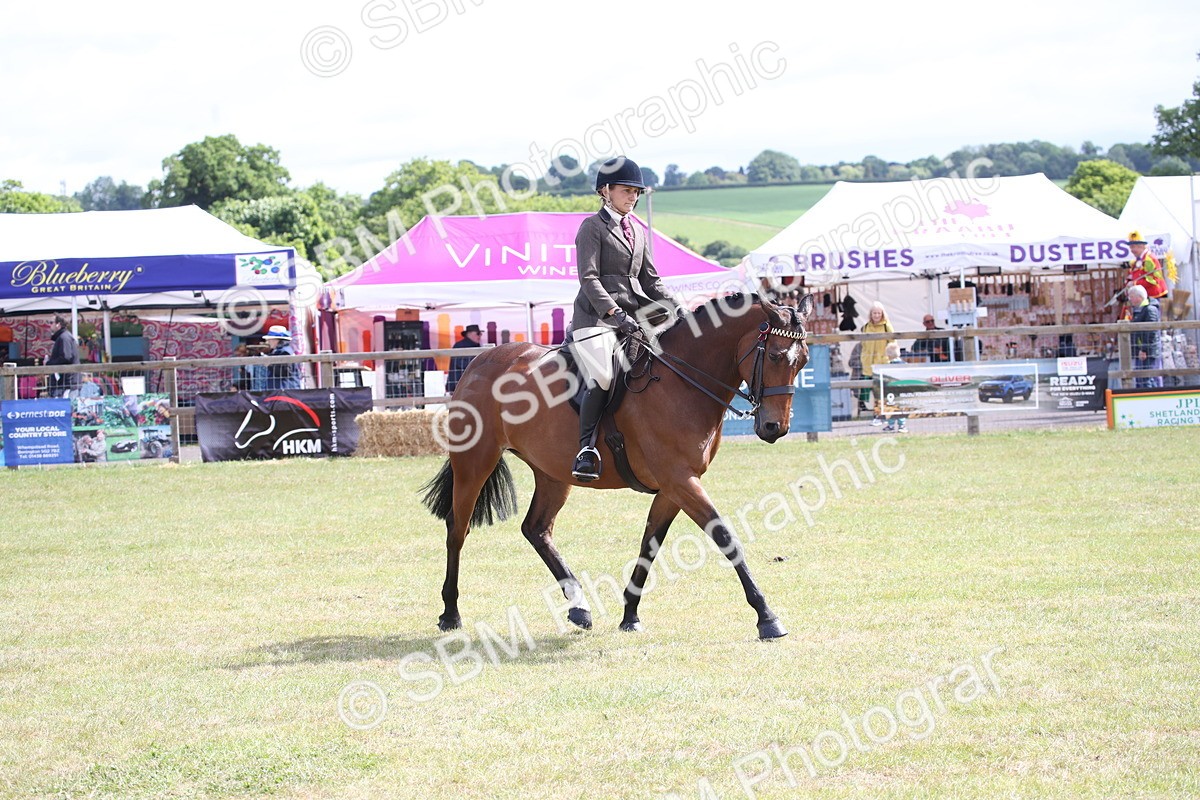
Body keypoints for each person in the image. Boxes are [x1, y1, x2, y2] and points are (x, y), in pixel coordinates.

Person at [570, 155, 681, 481]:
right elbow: (588, 279)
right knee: (604, 376)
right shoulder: (592, 227)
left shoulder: (638, 232)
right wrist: (614, 312)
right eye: (626, 190)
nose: (632, 197)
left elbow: (651, 281)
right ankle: (585, 448)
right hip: (596, 319)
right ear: (605, 191)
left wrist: (678, 307)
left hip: (634, 318)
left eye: (636, 192)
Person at [860, 302, 895, 426]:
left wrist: (888, 356)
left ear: (882, 314)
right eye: (874, 313)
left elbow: (893, 343)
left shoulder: (887, 327)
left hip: (882, 364)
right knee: (871, 392)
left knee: (881, 392)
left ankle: (881, 415)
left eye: (878, 313)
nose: (876, 315)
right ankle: (877, 415)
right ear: (871, 314)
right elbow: (863, 345)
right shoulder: (865, 327)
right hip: (868, 364)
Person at [1128, 284, 1162, 389]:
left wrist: (1144, 349)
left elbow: (1151, 331)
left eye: (1132, 296)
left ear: (1139, 297)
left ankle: (1151, 399)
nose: (1130, 299)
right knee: (1142, 377)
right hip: (1143, 350)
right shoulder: (1141, 309)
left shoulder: (1149, 309)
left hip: (1147, 351)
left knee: (1145, 378)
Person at [1126, 230, 1168, 305]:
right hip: (1145, 295)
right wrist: (1129, 280)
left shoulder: (1149, 259)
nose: (1131, 250)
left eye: (1133, 247)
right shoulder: (1137, 260)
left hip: (1153, 295)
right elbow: (1135, 274)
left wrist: (1135, 283)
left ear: (1140, 246)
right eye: (1131, 247)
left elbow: (1153, 280)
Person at [46, 315, 82, 397]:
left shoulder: (64, 337)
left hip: (68, 383)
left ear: (58, 324)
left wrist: (49, 363)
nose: (49, 325)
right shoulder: (64, 336)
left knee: (68, 408)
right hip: (67, 382)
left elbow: (66, 357)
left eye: (51, 322)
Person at [262, 325, 301, 390]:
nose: (268, 341)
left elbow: (284, 372)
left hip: (285, 391)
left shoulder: (285, 352)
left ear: (276, 340)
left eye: (270, 339)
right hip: (283, 390)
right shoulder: (283, 351)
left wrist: (269, 364)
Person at [881, 342, 908, 433]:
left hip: (892, 391)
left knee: (891, 407)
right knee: (902, 408)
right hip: (903, 390)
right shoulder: (905, 365)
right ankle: (902, 425)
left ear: (888, 355)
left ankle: (891, 425)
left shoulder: (888, 367)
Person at [446, 324, 482, 394]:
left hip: (468, 384)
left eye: (480, 334)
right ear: (469, 334)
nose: (480, 336)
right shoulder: (460, 346)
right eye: (478, 333)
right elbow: (461, 364)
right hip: (459, 384)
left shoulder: (476, 346)